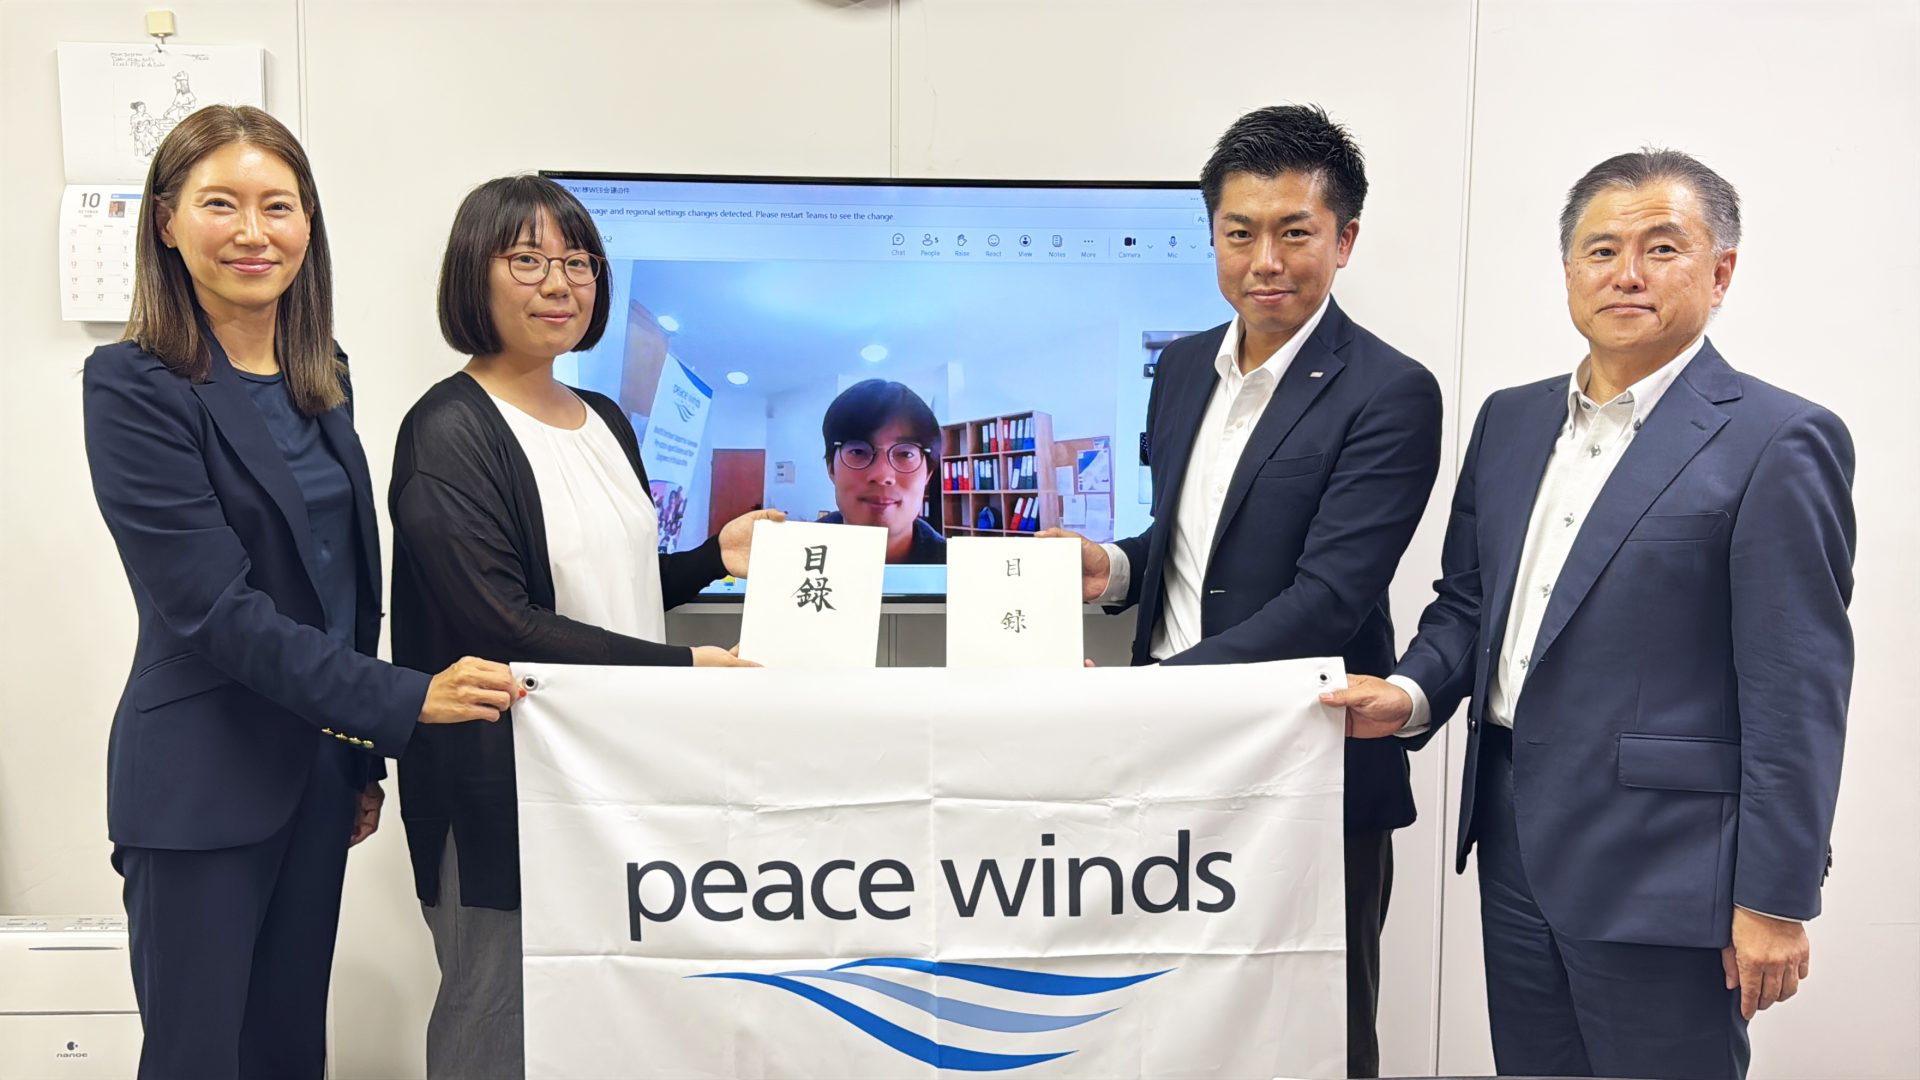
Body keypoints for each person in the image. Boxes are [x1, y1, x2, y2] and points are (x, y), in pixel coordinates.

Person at [1327, 150, 1854, 1080]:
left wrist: (1775, 898)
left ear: (1721, 272)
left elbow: (1796, 690)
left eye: (1663, 248)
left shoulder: (1777, 439)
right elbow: (1470, 604)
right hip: (1513, 837)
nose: (1627, 273)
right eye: (1601, 249)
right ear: (1568, 270)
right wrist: (1409, 695)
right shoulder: (1510, 421)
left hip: (1668, 863)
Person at [79, 105, 518, 1080]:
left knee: (286, 1055)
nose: (252, 231)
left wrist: (357, 758)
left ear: (308, 223)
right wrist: (405, 698)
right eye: (220, 204)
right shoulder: (133, 386)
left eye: (277, 205)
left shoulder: (323, 377)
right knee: (198, 1060)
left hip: (313, 780)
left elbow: (341, 583)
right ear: (166, 221)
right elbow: (213, 608)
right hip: (199, 783)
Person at [1043, 104, 1443, 1078]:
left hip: (1303, 766)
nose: (1265, 261)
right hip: (1166, 764)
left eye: (1294, 232)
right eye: (1239, 233)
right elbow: (1196, 536)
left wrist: (1155, 694)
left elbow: (1329, 598)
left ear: (1345, 239)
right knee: (1163, 1021)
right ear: (1213, 237)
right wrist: (1117, 568)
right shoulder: (1184, 367)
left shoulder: (1391, 392)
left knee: (1316, 1033)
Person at [387, 174, 782, 1080]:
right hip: (502, 787)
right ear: (474, 275)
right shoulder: (448, 430)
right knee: (497, 1016)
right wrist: (684, 668)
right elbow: (502, 621)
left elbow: (608, 589)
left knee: (614, 1016)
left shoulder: (603, 418)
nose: (559, 284)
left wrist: (711, 558)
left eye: (578, 263)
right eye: (527, 260)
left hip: (619, 770)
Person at [818, 378, 947, 563]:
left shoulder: (964, 574)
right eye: (858, 452)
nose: (882, 475)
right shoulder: (786, 560)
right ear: (831, 468)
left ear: (928, 474)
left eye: (905, 454)